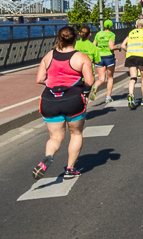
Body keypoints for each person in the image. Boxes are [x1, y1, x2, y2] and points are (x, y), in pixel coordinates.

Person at [32, 25, 95, 180]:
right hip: (73, 100)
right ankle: (70, 169)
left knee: (55, 137)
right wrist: (85, 93)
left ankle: (47, 158)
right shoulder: (81, 57)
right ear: (75, 38)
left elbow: (39, 79)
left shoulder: (49, 56)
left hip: (49, 100)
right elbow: (89, 81)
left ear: (59, 38)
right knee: (76, 133)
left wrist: (54, 83)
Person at [119, 17, 143, 109]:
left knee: (133, 77)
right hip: (141, 56)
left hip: (130, 57)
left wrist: (129, 50)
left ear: (136, 26)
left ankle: (131, 95)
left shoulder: (131, 33)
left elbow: (122, 45)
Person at [93, 19, 118, 102]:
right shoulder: (112, 34)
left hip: (99, 57)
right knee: (110, 78)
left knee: (101, 79)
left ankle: (94, 88)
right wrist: (118, 47)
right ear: (111, 26)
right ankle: (108, 97)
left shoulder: (98, 34)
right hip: (109, 57)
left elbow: (93, 45)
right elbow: (111, 47)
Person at [74, 26, 101, 101]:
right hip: (88, 74)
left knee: (76, 94)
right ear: (90, 34)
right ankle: (84, 110)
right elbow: (97, 61)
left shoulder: (75, 44)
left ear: (79, 34)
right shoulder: (93, 46)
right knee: (85, 96)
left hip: (76, 73)